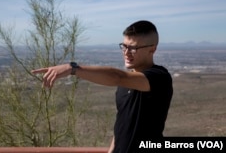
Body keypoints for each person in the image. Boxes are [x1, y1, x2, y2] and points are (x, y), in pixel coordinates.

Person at [31, 20, 173, 153]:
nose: (126, 52)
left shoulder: (159, 77)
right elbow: (122, 125)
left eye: (133, 48)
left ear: (152, 49)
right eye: (124, 46)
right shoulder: (124, 85)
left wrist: (73, 69)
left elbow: (117, 76)